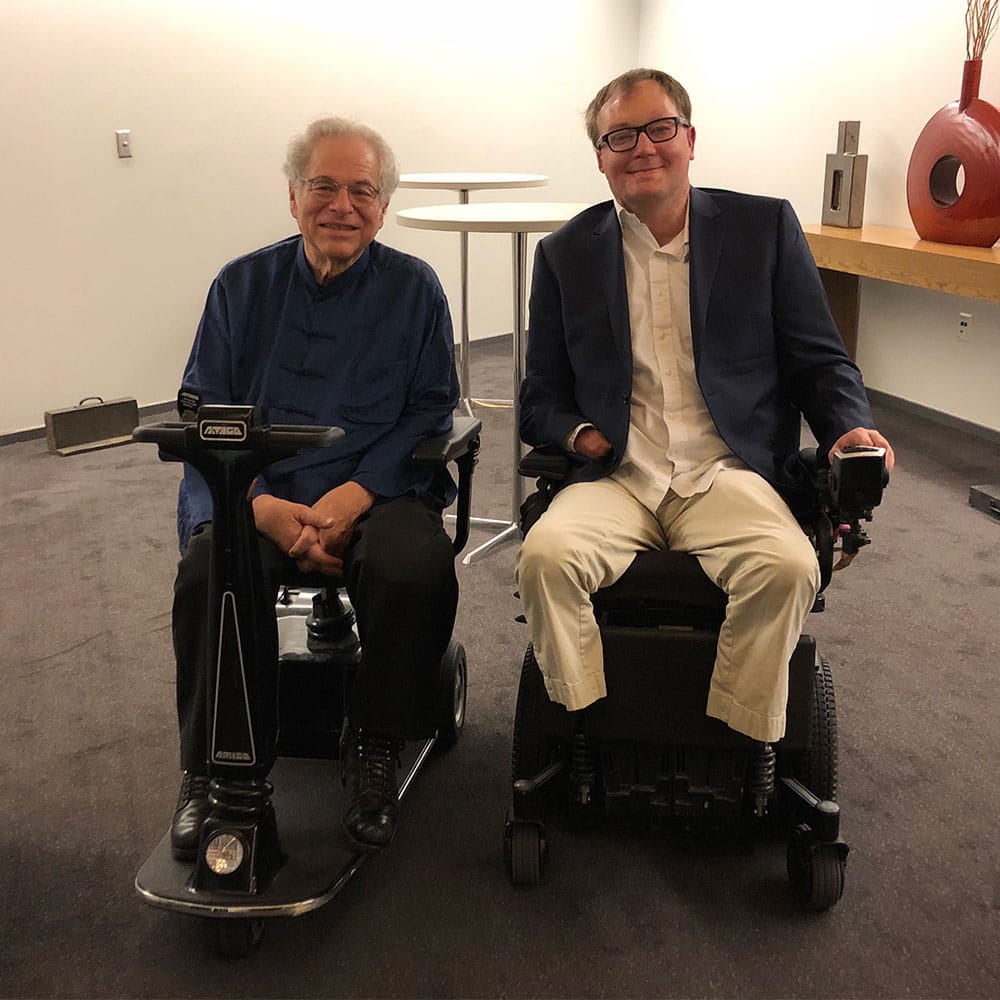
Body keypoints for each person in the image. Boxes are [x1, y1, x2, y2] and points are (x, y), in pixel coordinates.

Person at [517, 69, 895, 745]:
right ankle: (586, 726)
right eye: (620, 136)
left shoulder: (762, 228)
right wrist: (581, 436)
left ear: (690, 139)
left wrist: (848, 427)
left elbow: (819, 359)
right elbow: (540, 391)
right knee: (545, 559)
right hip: (619, 476)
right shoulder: (564, 255)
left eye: (660, 128)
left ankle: (738, 739)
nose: (644, 148)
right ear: (600, 157)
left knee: (787, 569)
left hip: (727, 470)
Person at [169, 117, 460, 855]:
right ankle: (209, 772)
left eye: (362, 190)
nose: (342, 205)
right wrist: (260, 505)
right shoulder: (240, 286)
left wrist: (358, 494)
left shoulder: (415, 288)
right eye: (324, 186)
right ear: (293, 197)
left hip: (374, 493)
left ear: (382, 207)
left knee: (411, 565)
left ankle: (373, 743)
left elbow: (431, 408)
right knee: (210, 570)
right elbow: (204, 409)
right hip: (259, 493)